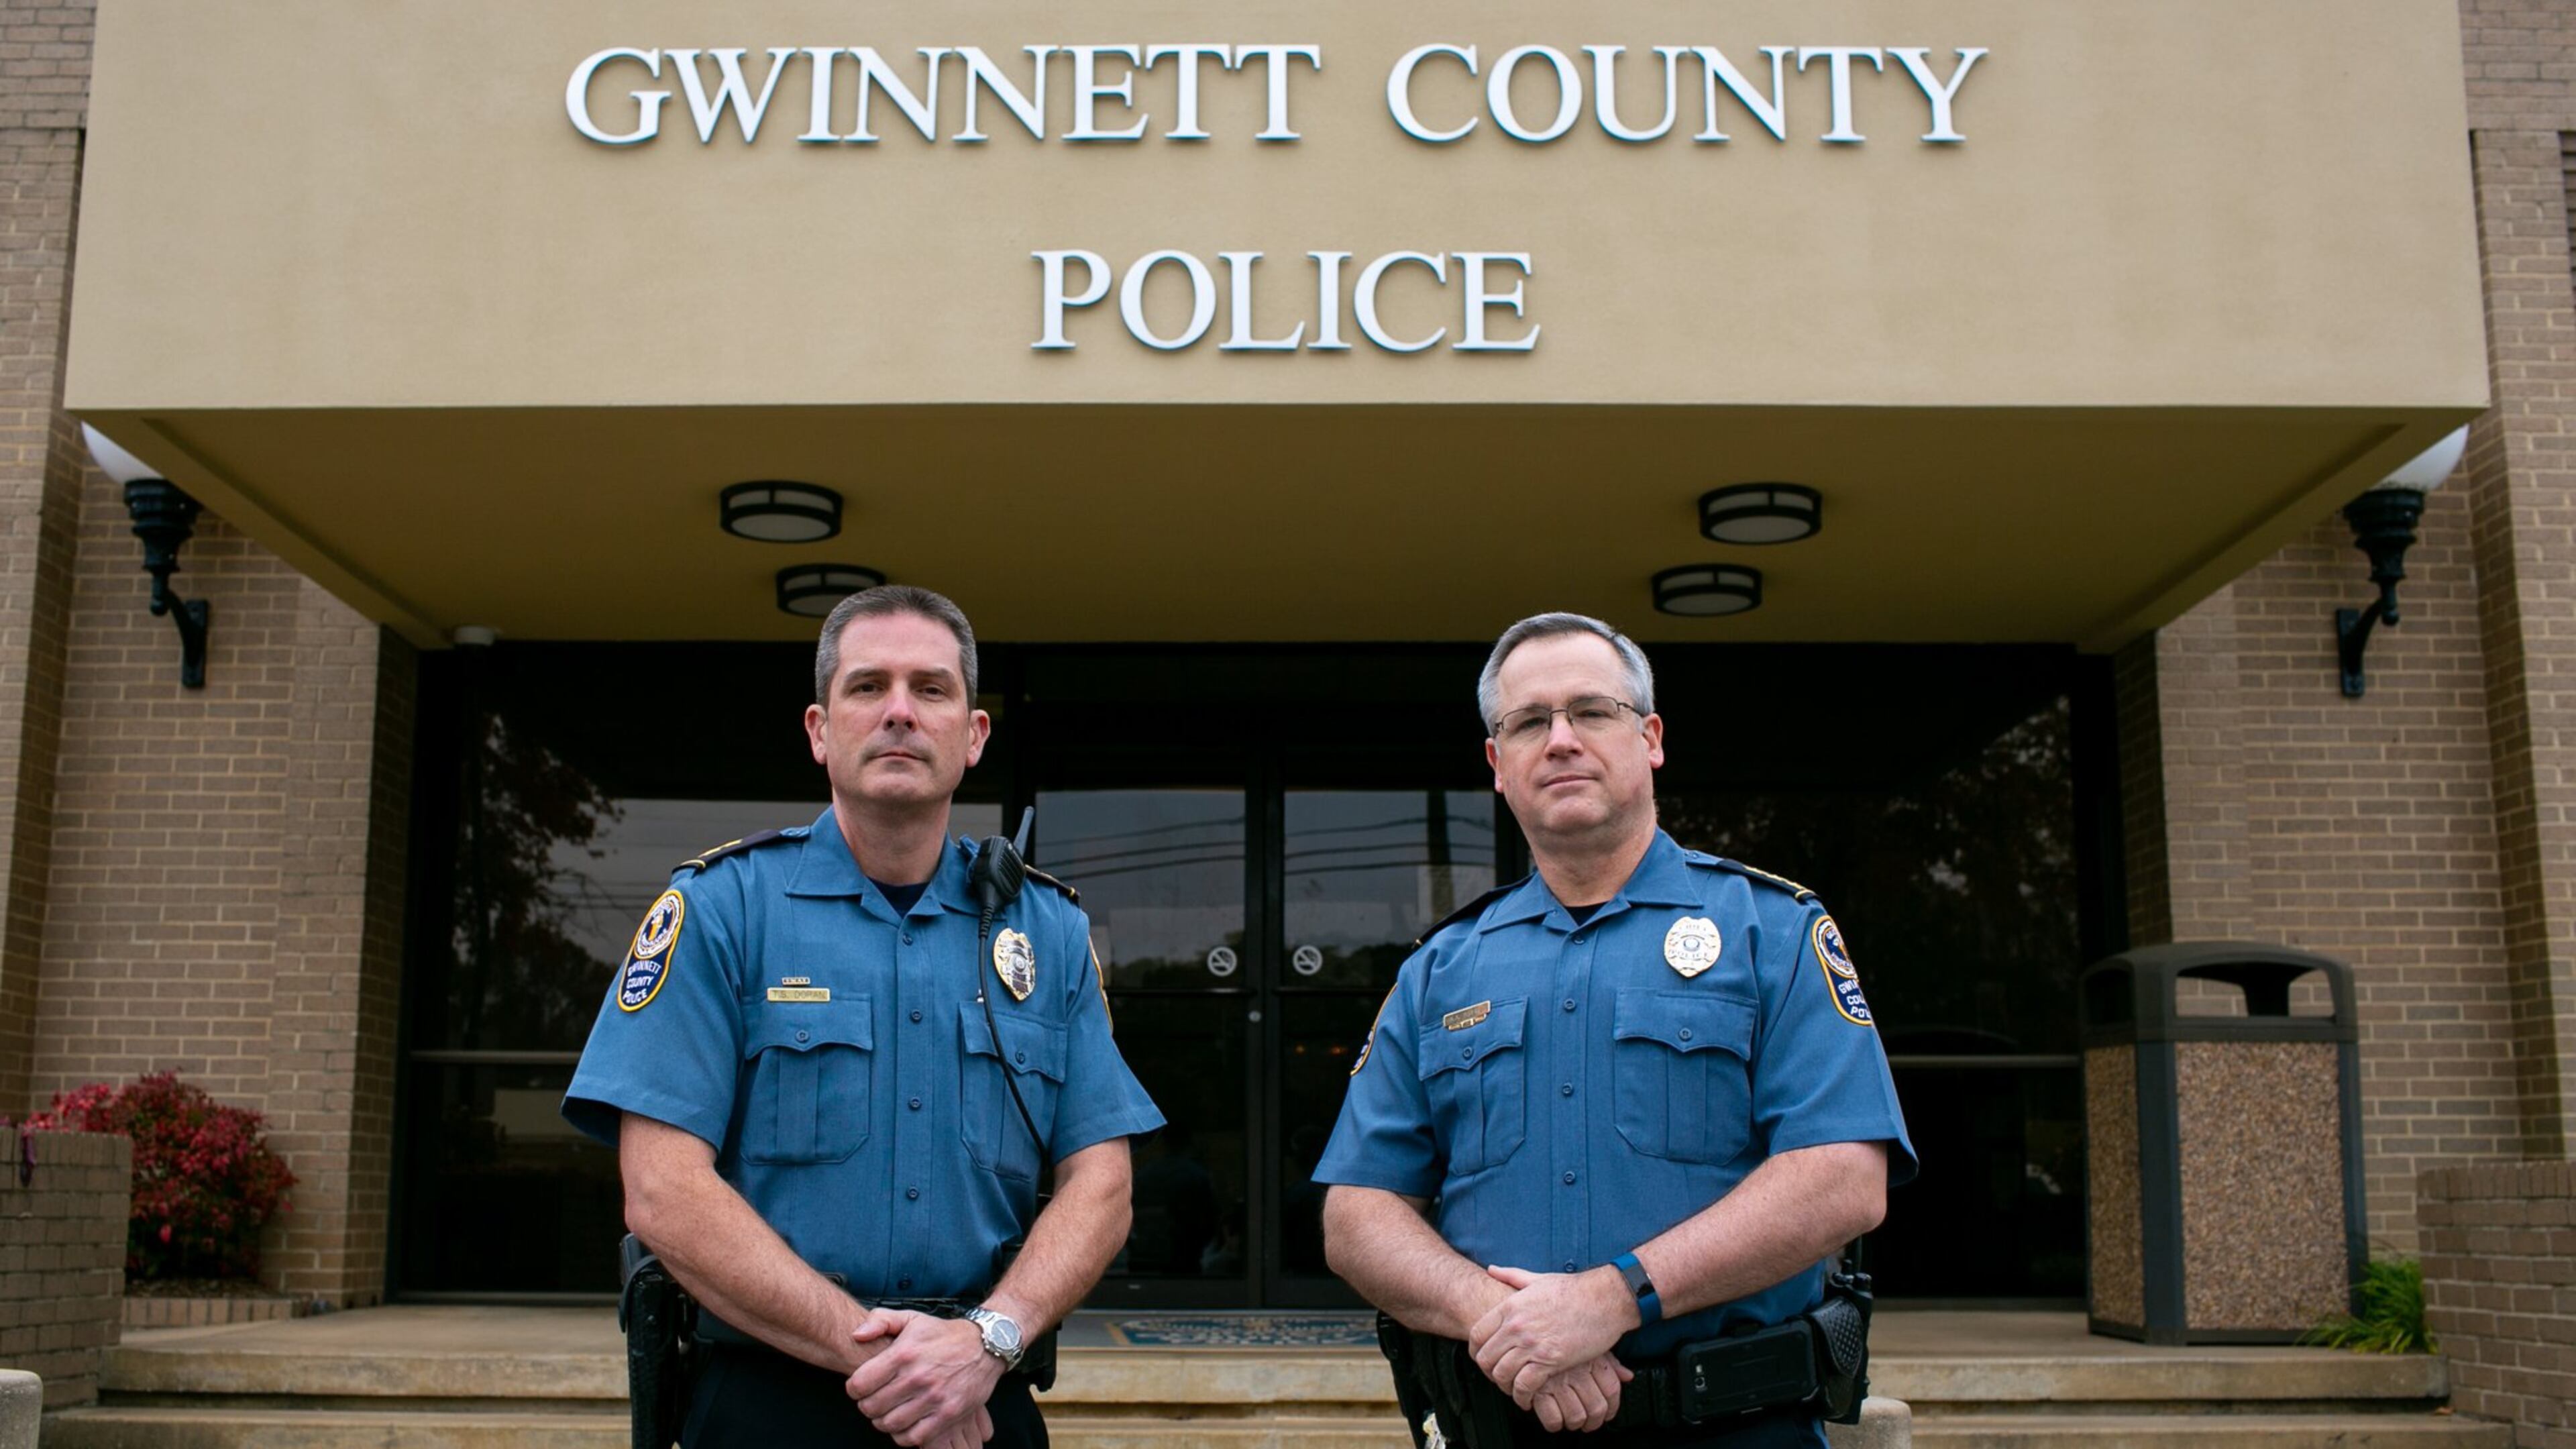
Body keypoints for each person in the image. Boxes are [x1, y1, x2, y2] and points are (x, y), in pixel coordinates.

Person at [561, 586, 1165, 1449]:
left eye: (930, 689)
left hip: (981, 1395)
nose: (899, 713)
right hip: (769, 1398)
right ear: (818, 730)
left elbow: (1102, 1186)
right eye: (867, 686)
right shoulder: (724, 910)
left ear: (974, 735)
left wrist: (985, 1343)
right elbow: (662, 1189)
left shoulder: (1048, 932)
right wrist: (890, 1363)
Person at [1314, 612, 1917, 1448]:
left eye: (1592, 712)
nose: (1560, 740)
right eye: (1529, 722)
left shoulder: (1769, 929)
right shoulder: (1441, 970)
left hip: (1736, 1426)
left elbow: (1843, 1177)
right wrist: (1508, 1322)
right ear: (1498, 765)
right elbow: (1357, 1213)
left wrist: (1610, 1298)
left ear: (1651, 739)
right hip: (1500, 1425)